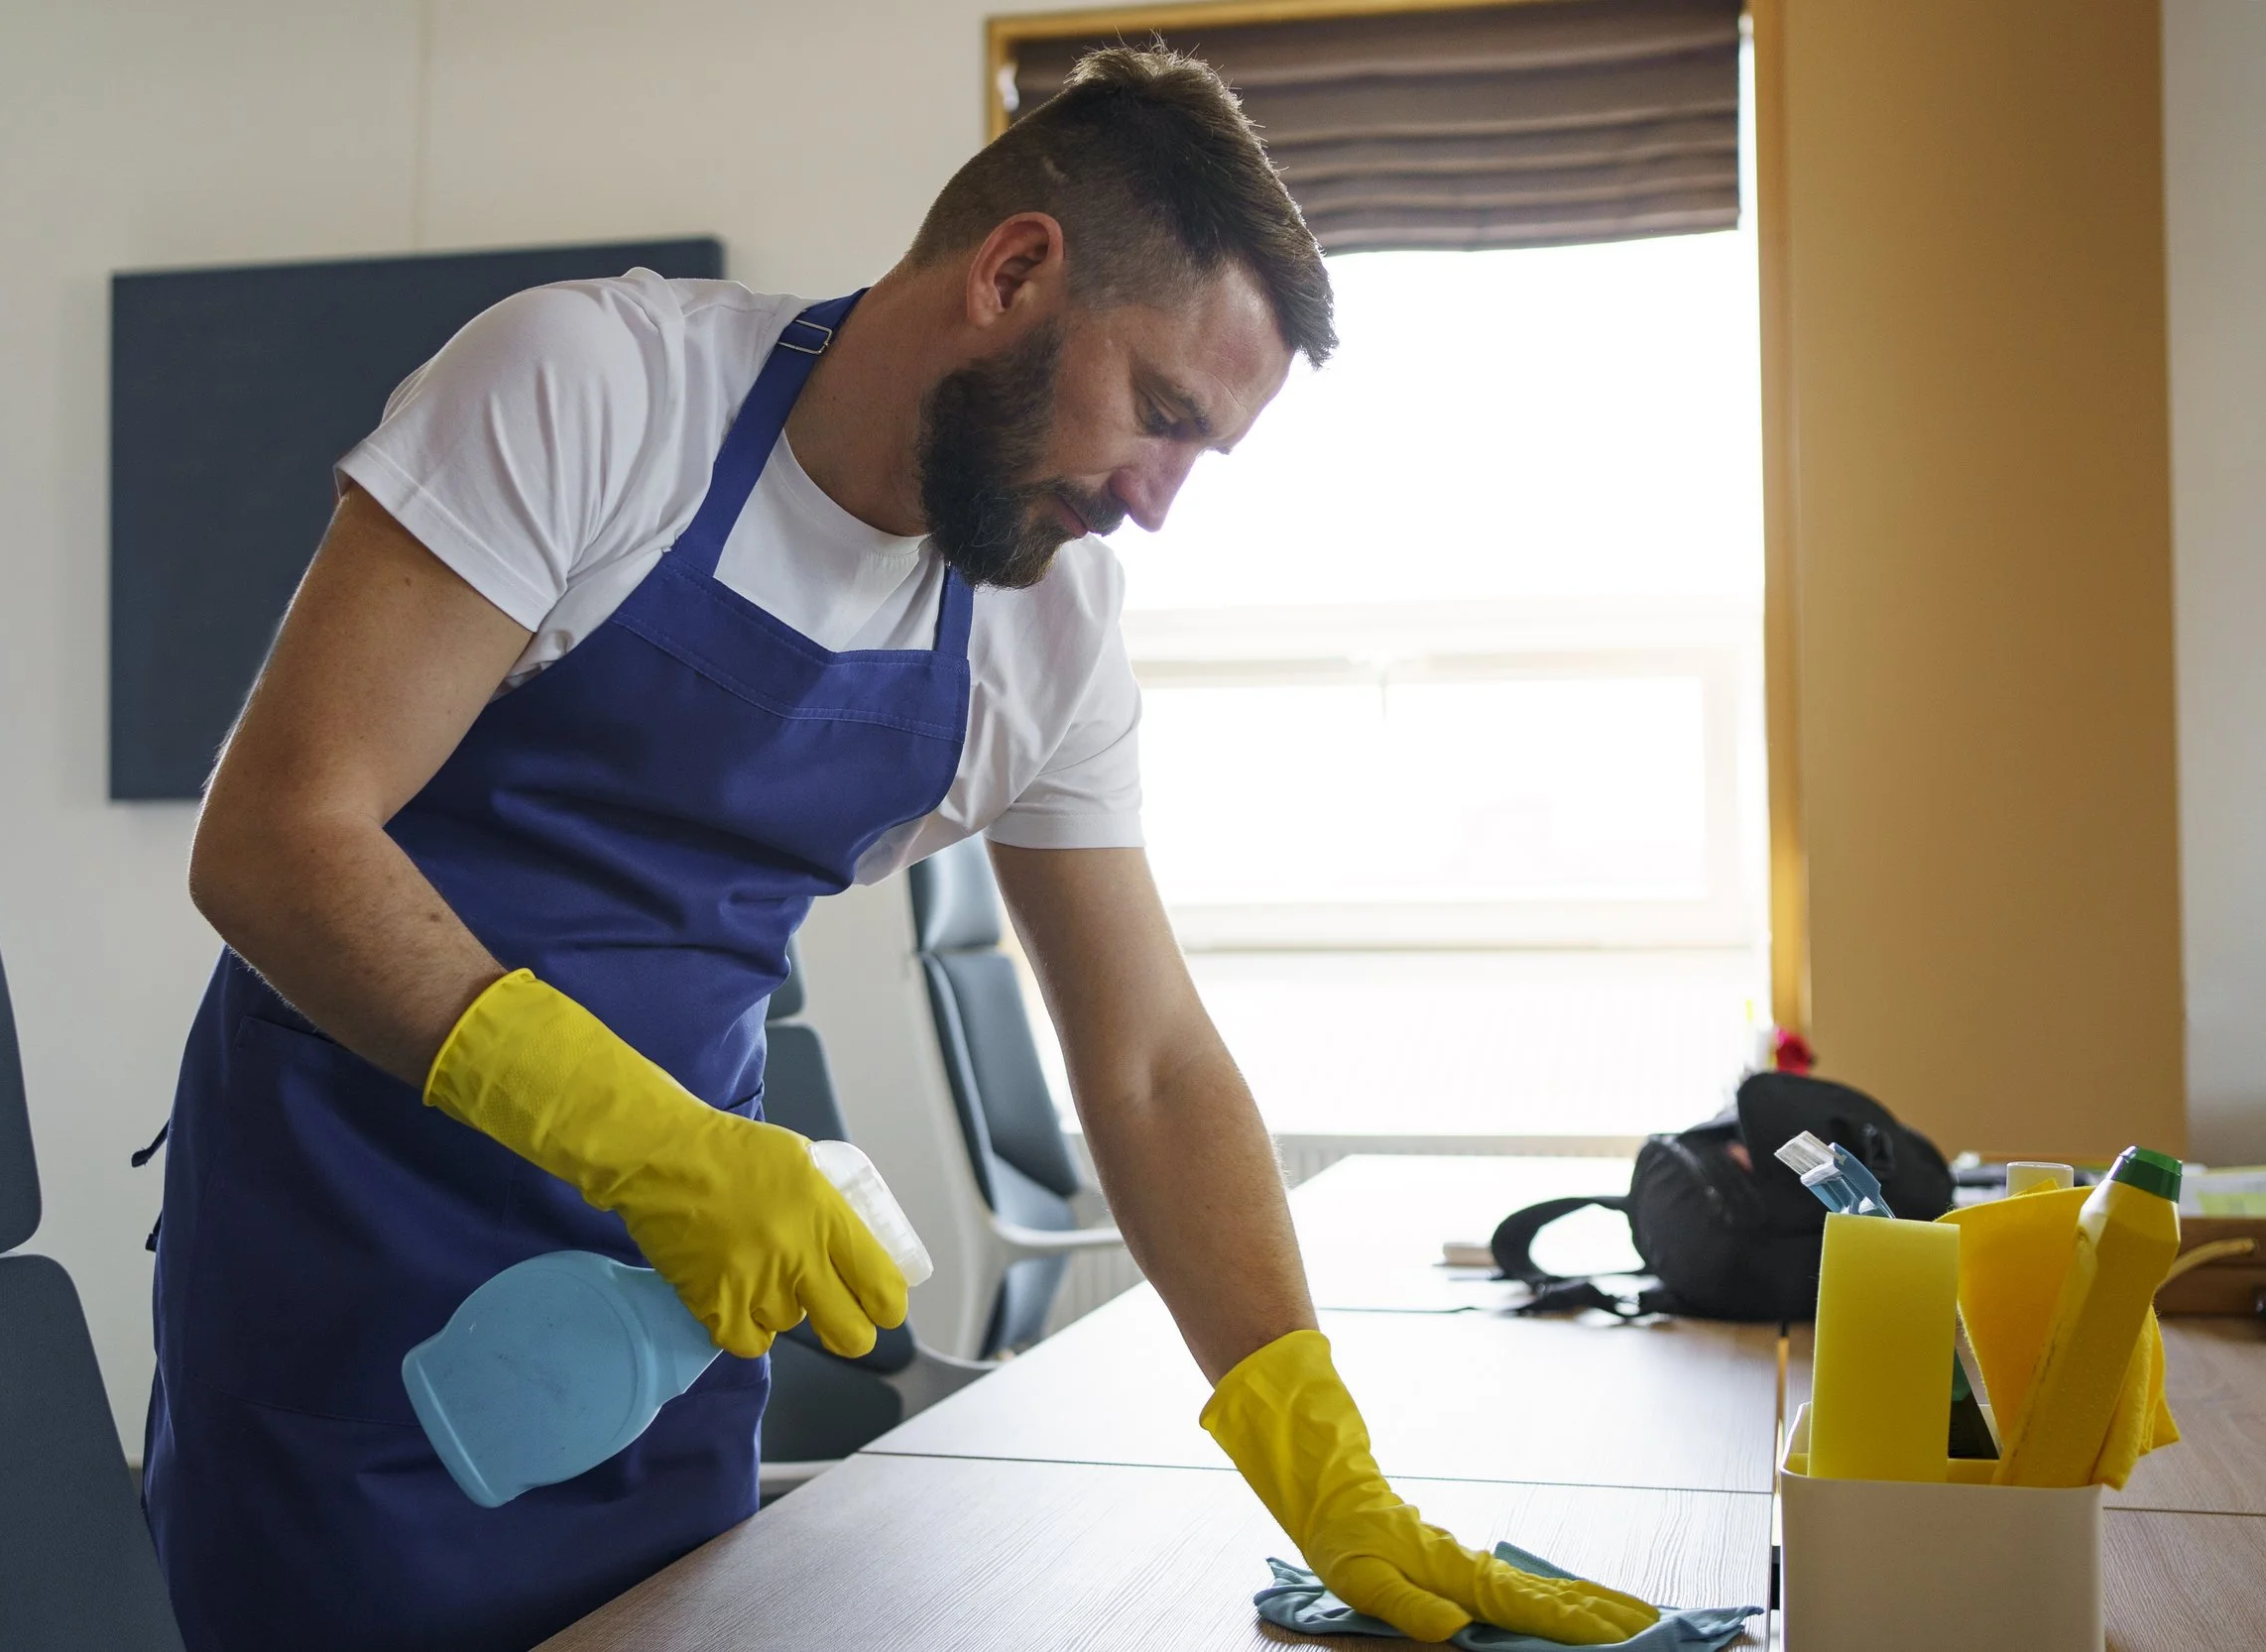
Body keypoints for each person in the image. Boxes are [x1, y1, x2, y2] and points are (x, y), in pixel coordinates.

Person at [142, 45, 1659, 1652]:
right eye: (1160, 415)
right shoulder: (594, 391)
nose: (1156, 502)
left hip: (680, 1305)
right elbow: (277, 839)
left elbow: (1146, 1064)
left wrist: (1326, 1466)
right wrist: (653, 1144)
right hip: (348, 1279)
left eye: (1202, 452)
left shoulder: (1047, 633)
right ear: (1014, 272)